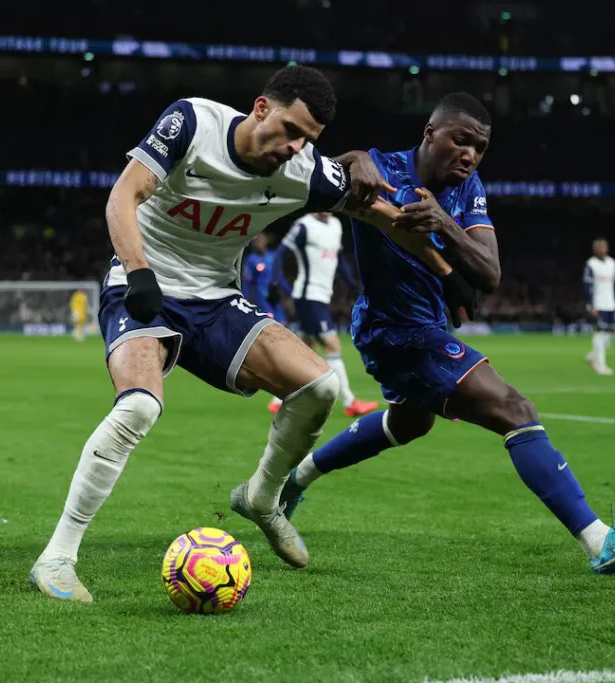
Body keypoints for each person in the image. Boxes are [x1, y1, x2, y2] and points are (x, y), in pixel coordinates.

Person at [28, 65, 455, 602]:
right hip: (146, 284)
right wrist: (138, 270)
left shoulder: (303, 171)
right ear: (261, 108)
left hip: (214, 301)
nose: (296, 146)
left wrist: (447, 274)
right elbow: (123, 196)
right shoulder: (192, 122)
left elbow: (387, 219)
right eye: (291, 130)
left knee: (320, 388)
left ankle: (262, 496)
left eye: (309, 140)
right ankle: (57, 557)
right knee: (138, 407)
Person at [278, 93, 615, 575]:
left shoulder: (467, 189)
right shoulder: (379, 166)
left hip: (425, 326)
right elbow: (309, 173)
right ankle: (600, 541)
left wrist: (445, 222)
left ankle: (294, 480)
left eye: (480, 147)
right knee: (515, 409)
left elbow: (489, 272)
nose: (470, 155)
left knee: (409, 423)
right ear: (430, 133)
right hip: (397, 331)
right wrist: (350, 159)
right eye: (461, 141)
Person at [266, 211, 379, 417]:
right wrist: (276, 283)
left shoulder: (336, 225)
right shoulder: (304, 226)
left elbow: (339, 260)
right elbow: (281, 253)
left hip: (322, 296)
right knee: (332, 346)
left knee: (305, 349)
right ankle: (350, 402)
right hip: (308, 297)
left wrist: (353, 284)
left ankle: (277, 398)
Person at [582, 238, 615, 376]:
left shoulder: (612, 263)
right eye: (598, 247)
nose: (601, 250)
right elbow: (587, 286)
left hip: (610, 303)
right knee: (600, 334)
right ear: (594, 249)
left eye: (603, 247)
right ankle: (601, 366)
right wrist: (590, 304)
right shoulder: (591, 264)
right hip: (598, 304)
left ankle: (592, 356)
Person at [242, 234, 286, 323]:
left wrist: (287, 291)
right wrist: (245, 299)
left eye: (260, 241)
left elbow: (279, 276)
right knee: (269, 318)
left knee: (282, 319)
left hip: (274, 292)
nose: (258, 244)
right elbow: (247, 280)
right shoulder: (251, 259)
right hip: (261, 294)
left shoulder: (273, 256)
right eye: (256, 242)